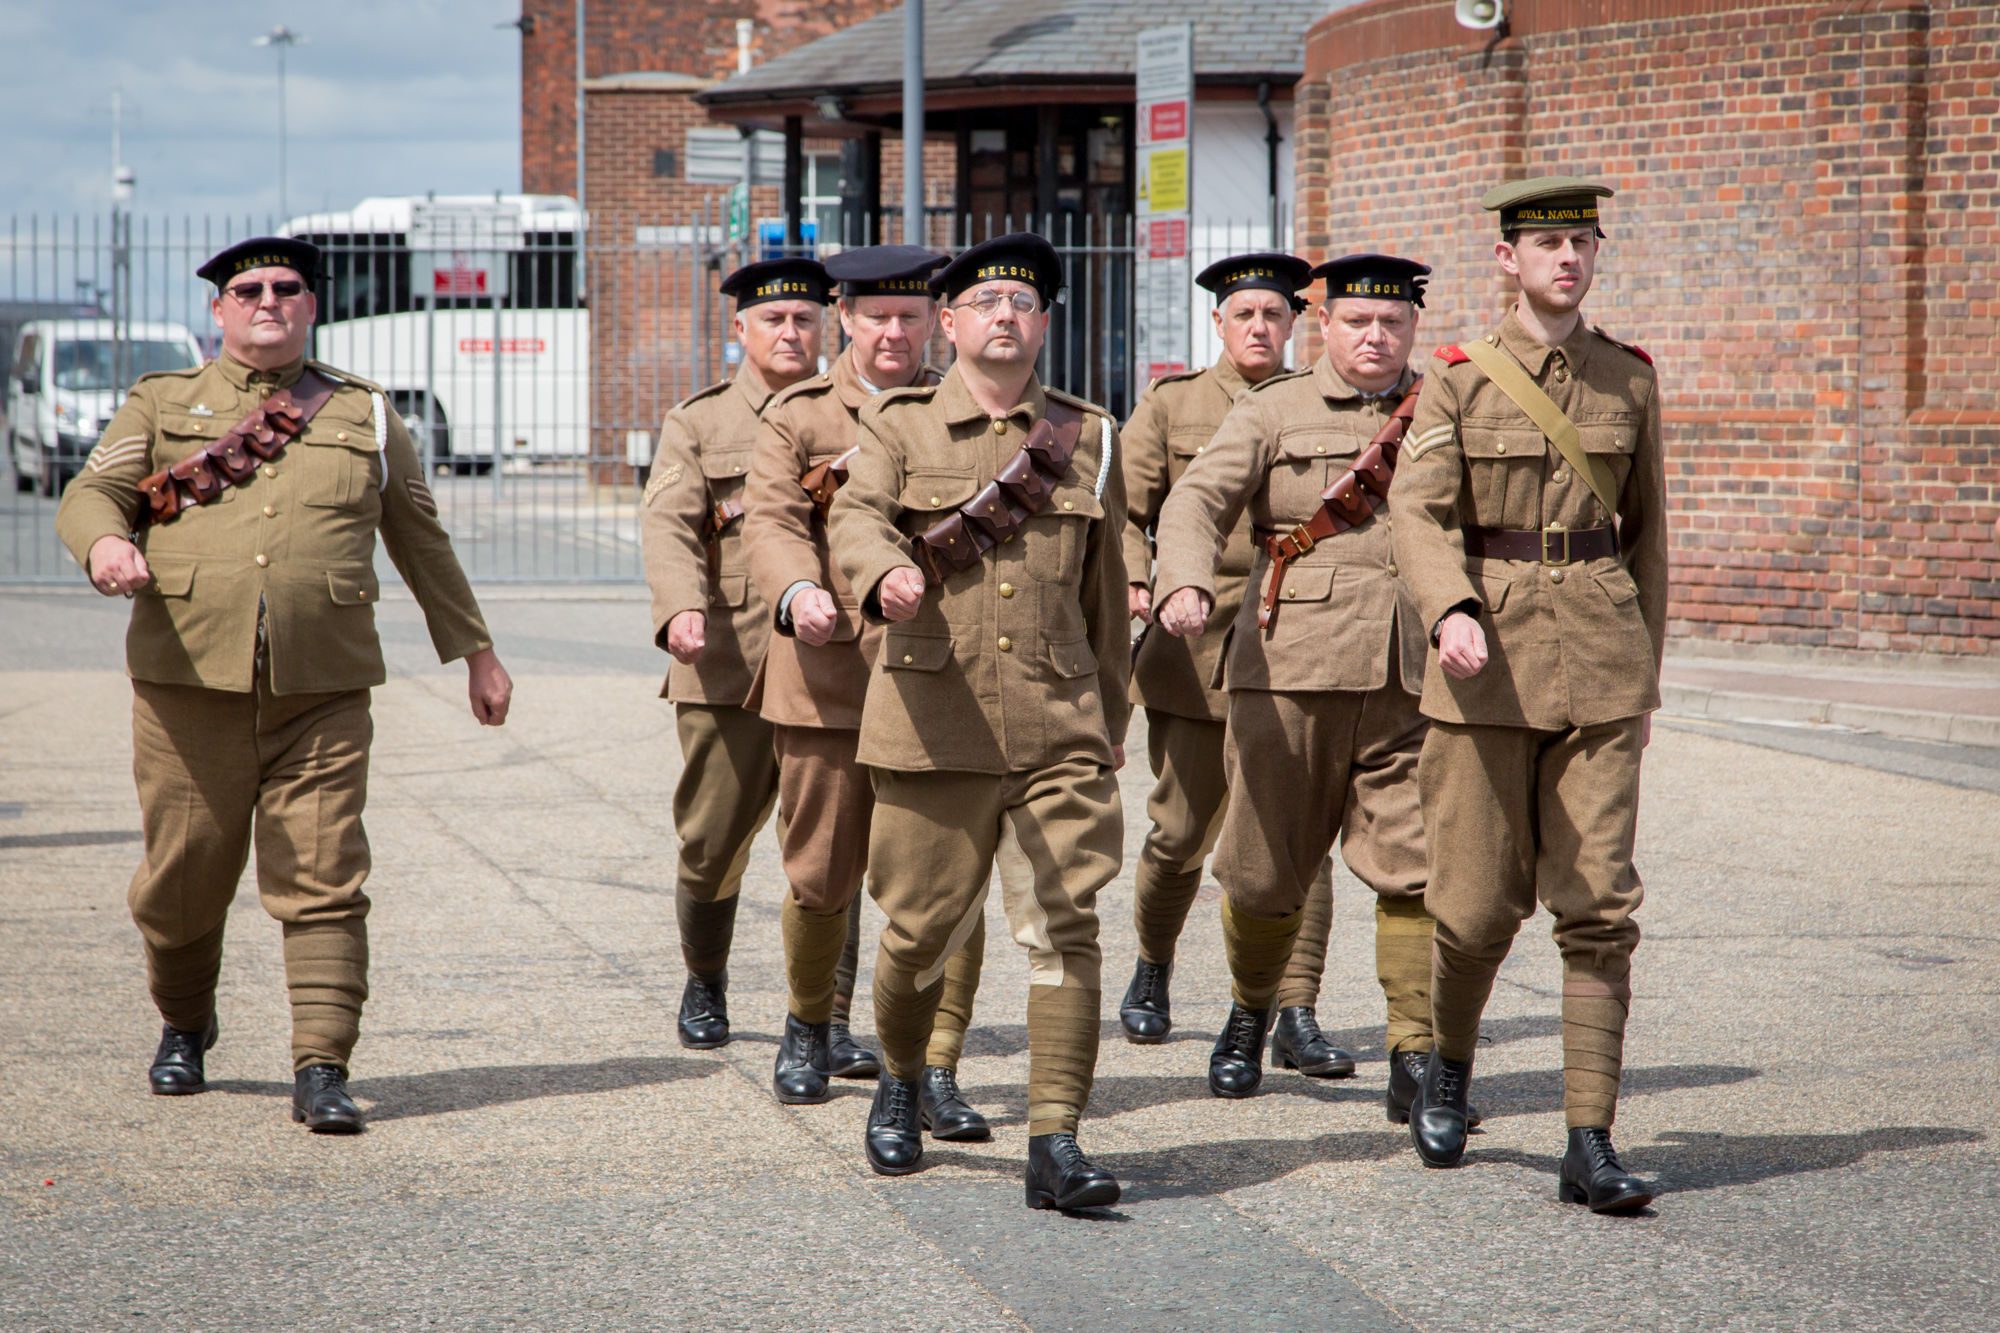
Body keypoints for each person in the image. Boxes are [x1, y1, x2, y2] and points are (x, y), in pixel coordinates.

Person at [54, 236, 510, 1132]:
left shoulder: (365, 412)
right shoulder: (162, 401)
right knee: (181, 883)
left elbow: (421, 540)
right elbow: (92, 494)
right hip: (189, 683)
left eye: (287, 288)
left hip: (324, 689)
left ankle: (322, 1063)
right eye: (248, 289)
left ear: (312, 305)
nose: (268, 301)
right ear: (218, 310)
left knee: (325, 876)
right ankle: (185, 1022)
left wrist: (477, 652)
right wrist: (106, 543)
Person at [827, 233, 1129, 1210]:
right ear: (947, 324)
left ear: (1044, 323)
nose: (1006, 313)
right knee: (917, 933)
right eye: (986, 300)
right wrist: (885, 572)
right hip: (929, 719)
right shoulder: (897, 427)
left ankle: (1056, 1141)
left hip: (1058, 723)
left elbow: (1104, 594)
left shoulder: (1088, 436)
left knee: (1064, 927)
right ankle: (901, 1079)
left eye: (1024, 301)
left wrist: (1111, 720)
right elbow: (854, 519)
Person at [1389, 177, 1665, 1212]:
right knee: (1471, 905)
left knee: (1598, 904)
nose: (1566, 259)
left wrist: (1644, 676)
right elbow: (1415, 514)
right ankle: (1447, 1067)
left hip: (1597, 657)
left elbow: (1648, 539)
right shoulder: (1458, 376)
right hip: (1483, 661)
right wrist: (1447, 608)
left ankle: (1586, 1135)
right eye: (1546, 243)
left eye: (1580, 242)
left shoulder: (1627, 378)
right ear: (1505, 258)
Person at [1152, 253, 1455, 1112]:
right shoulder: (1272, 408)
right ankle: (1251, 1010)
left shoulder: (1441, 409)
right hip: (1289, 667)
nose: (1375, 336)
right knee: (1259, 870)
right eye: (1358, 321)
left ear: (1413, 330)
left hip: (1408, 677)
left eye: (1392, 323)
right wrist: (1182, 578)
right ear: (1324, 326)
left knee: (1416, 870)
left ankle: (1413, 1051)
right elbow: (1194, 502)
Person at [742, 244, 990, 1136]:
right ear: (843, 317)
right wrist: (796, 588)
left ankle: (935, 1064)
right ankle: (810, 1023)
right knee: (820, 870)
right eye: (876, 316)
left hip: (939, 677)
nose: (894, 332)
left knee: (948, 881)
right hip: (831, 672)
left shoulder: (963, 406)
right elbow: (770, 517)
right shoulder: (799, 415)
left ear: (937, 322)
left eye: (910, 317)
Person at [1117, 252, 1345, 1079]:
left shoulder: (1322, 404)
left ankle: (1295, 1007)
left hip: (1296, 644)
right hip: (1197, 641)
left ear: (1295, 326)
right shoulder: (1174, 404)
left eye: (1273, 316)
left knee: (1297, 837)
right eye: (1243, 314)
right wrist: (1141, 582)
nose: (1259, 327)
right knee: (1180, 833)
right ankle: (1153, 962)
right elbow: (1126, 509)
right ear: (1219, 323)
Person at [641, 257, 828, 1049]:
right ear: (741, 329)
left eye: (805, 319)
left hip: (832, 665)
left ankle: (828, 1012)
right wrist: (682, 606)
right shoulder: (701, 421)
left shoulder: (859, 410)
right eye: (775, 320)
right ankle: (705, 978)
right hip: (729, 657)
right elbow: (668, 522)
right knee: (710, 838)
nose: (791, 332)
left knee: (831, 843)